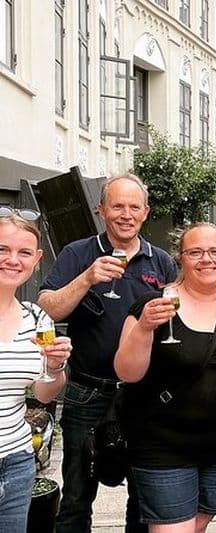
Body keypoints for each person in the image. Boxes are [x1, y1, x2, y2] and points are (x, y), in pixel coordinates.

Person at [39, 174, 177, 533]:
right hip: (88, 392)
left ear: (146, 213)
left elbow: (179, 320)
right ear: (102, 210)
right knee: (76, 497)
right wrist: (86, 278)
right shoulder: (78, 253)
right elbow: (47, 308)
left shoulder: (160, 261)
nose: (126, 214)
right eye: (117, 206)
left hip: (142, 395)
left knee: (143, 499)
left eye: (134, 207)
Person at [115, 222, 216, 532]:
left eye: (215, 251)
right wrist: (144, 328)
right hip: (164, 446)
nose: (206, 259)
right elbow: (126, 372)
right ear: (180, 258)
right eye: (195, 252)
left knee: (197, 524)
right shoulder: (152, 306)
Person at [0, 212, 72, 533]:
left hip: (17, 462)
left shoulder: (37, 318)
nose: (12, 260)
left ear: (37, 260)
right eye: (2, 249)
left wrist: (55, 366)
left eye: (24, 252)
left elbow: (43, 394)